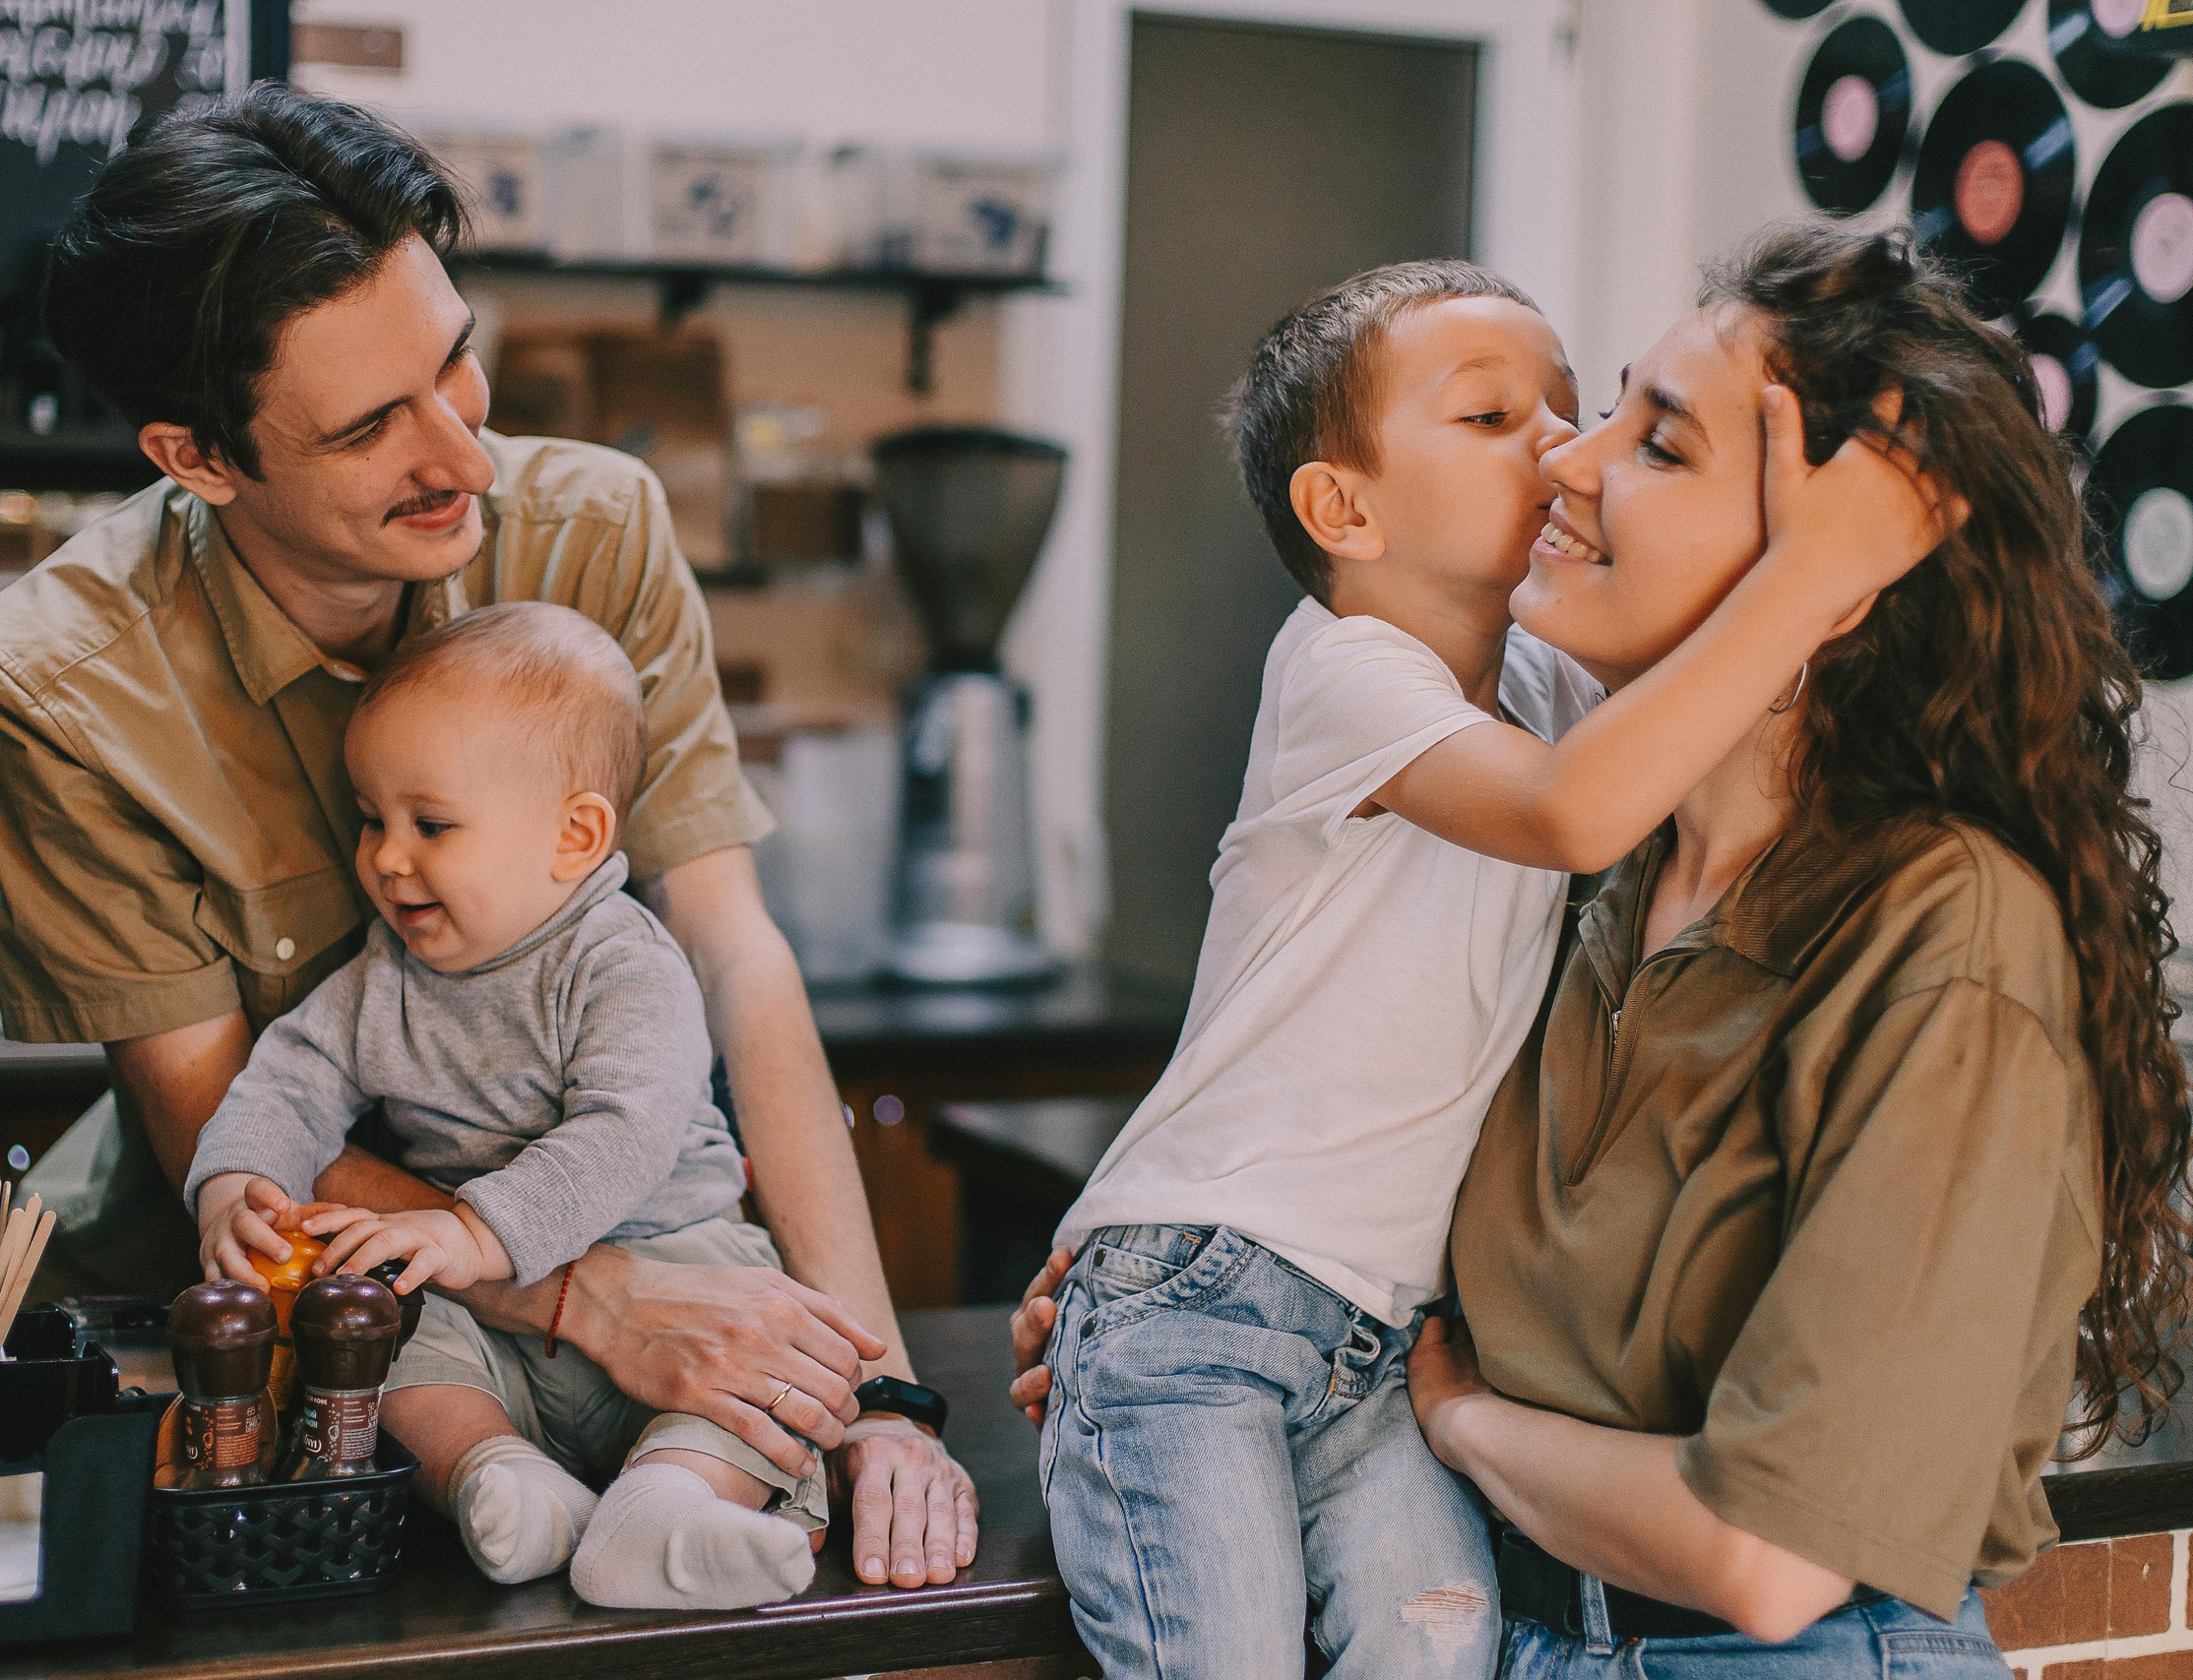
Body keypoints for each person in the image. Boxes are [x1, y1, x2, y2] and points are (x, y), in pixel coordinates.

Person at [0, 85, 971, 1589]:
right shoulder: (54, 685)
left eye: (457, 364)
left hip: (630, 1287)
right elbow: (223, 1110)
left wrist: (872, 1393)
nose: (468, 459)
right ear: (199, 455)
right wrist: (580, 1296)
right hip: (262, 1358)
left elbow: (738, 960)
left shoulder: (594, 532)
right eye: (373, 426)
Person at [1028, 260, 1945, 1679]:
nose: (1561, 451)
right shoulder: (1344, 668)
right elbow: (1576, 807)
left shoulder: (1541, 685)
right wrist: (1814, 568)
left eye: (1573, 411)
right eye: (1493, 416)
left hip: (1384, 1341)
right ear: (1345, 510)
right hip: (1202, 1289)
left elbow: (1687, 697)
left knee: (1439, 1653)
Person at [1403, 221, 2193, 1675]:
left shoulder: (1947, 928)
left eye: (1662, 445)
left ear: (1836, 575)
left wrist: (1455, 1415)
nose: (1568, 463)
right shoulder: (1593, 872)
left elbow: (1768, 1557)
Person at [188, 603, 827, 1610]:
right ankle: (503, 1478)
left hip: (673, 1263)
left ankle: (666, 1507)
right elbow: (287, 1080)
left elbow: (626, 1133)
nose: (389, 858)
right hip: (480, 1307)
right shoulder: (385, 974)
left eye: (429, 824)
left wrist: (475, 1229)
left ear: (573, 836)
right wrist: (236, 1181)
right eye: (372, 819)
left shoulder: (621, 961)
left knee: (753, 1403)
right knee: (379, 1346)